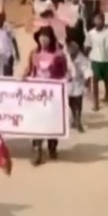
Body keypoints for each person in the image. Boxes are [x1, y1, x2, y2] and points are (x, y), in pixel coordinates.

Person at [24, 26, 68, 164]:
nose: (43, 39)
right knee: (37, 122)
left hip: (53, 96)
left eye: (46, 36)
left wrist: (66, 80)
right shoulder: (34, 54)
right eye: (41, 36)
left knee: (52, 122)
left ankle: (52, 147)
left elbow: (65, 72)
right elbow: (30, 70)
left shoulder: (59, 55)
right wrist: (23, 77)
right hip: (37, 95)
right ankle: (37, 149)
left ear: (51, 38)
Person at [84, 12, 108, 111]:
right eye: (96, 20)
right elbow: (87, 45)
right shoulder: (90, 33)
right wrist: (86, 56)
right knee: (95, 81)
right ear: (94, 21)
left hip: (106, 59)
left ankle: (107, 94)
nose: (98, 22)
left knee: (107, 79)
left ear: (103, 21)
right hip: (95, 60)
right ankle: (96, 103)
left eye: (100, 20)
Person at [65, 41, 91, 133]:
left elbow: (87, 70)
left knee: (78, 102)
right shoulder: (66, 57)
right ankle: (74, 116)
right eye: (69, 50)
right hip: (68, 83)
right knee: (70, 102)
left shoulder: (82, 59)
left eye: (73, 50)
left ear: (76, 51)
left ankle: (78, 120)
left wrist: (87, 82)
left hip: (78, 83)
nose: (71, 52)